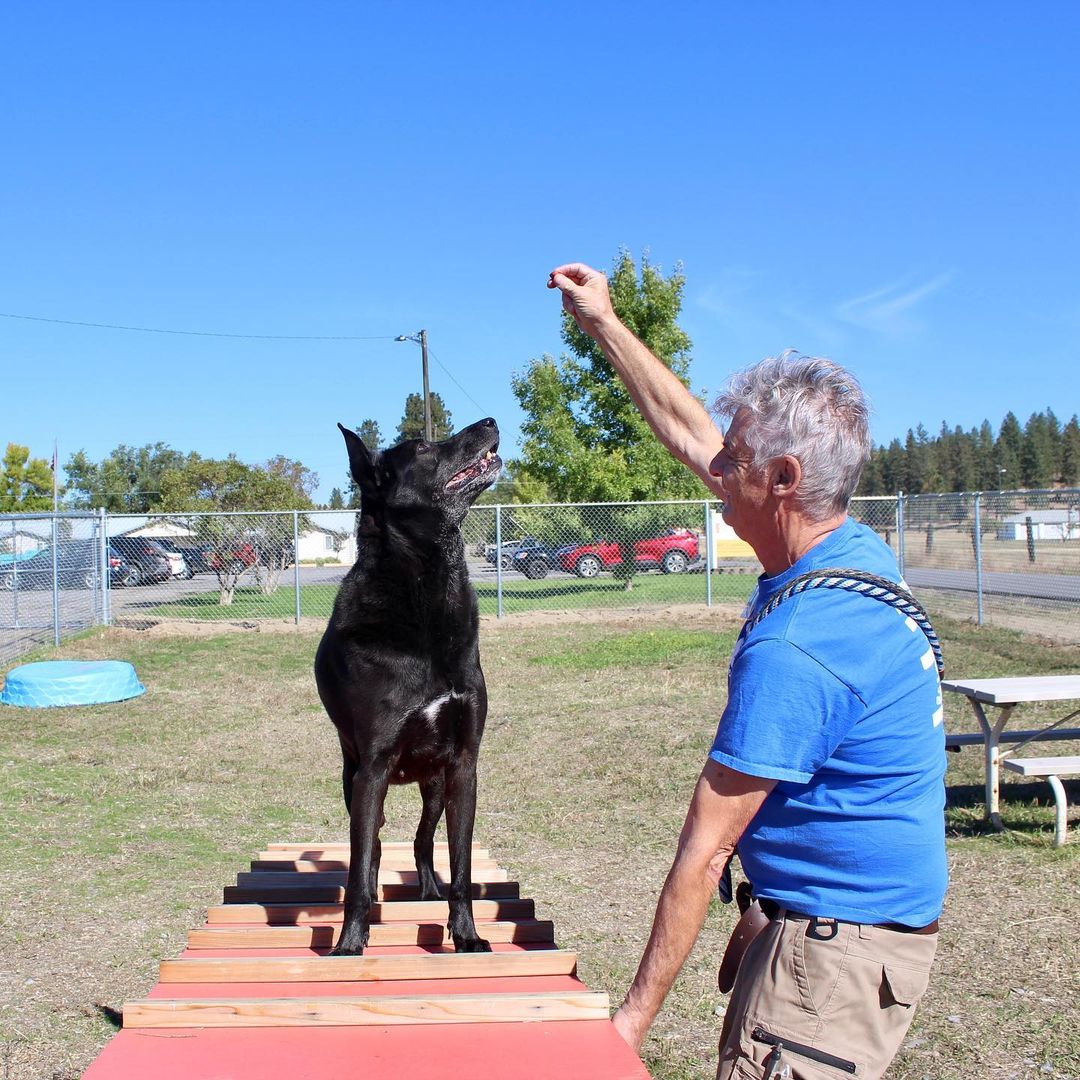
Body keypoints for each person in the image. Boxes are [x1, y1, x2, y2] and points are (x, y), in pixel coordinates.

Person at [547, 262, 946, 1080]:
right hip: (830, 931)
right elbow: (691, 433)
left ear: (784, 480)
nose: (714, 469)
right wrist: (606, 326)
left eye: (734, 460)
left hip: (830, 962)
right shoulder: (853, 553)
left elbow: (702, 850)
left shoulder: (801, 644)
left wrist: (628, 1026)